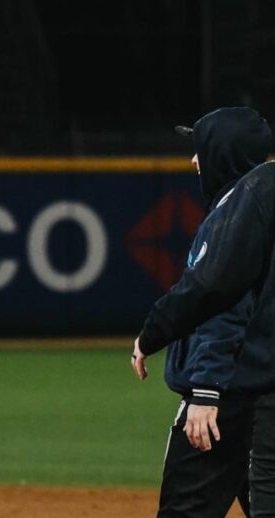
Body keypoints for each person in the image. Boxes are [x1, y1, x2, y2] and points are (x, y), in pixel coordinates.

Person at [130, 107, 275, 516]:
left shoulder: (239, 209)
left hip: (231, 395)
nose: (194, 160)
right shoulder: (260, 201)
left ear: (223, 153)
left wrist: (204, 389)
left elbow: (220, 300)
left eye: (201, 149)